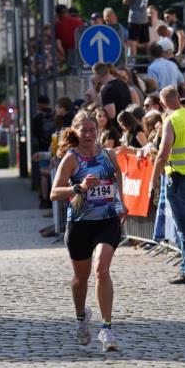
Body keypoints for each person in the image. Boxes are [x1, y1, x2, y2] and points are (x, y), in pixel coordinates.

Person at [50, 111, 128, 352]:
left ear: (98, 131)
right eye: (83, 130)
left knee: (101, 270)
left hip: (107, 220)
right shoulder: (71, 159)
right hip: (80, 223)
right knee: (81, 278)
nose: (88, 134)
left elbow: (118, 176)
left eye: (92, 130)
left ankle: (107, 329)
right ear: (75, 132)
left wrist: (121, 202)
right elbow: (54, 193)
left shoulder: (108, 154)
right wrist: (79, 187)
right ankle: (82, 318)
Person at [149, 86, 185, 284]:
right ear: (179, 98)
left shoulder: (170, 120)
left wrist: (154, 178)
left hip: (180, 179)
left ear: (163, 104)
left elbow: (163, 153)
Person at [122, 0, 150, 64]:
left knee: (132, 42)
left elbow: (125, 1)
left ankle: (132, 64)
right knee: (146, 42)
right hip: (144, 18)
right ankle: (151, 60)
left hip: (134, 17)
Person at [54, 4, 84, 72]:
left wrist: (63, 55)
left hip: (69, 52)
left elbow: (58, 43)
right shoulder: (78, 21)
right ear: (67, 12)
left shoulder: (57, 25)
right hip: (81, 51)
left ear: (57, 14)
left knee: (72, 72)